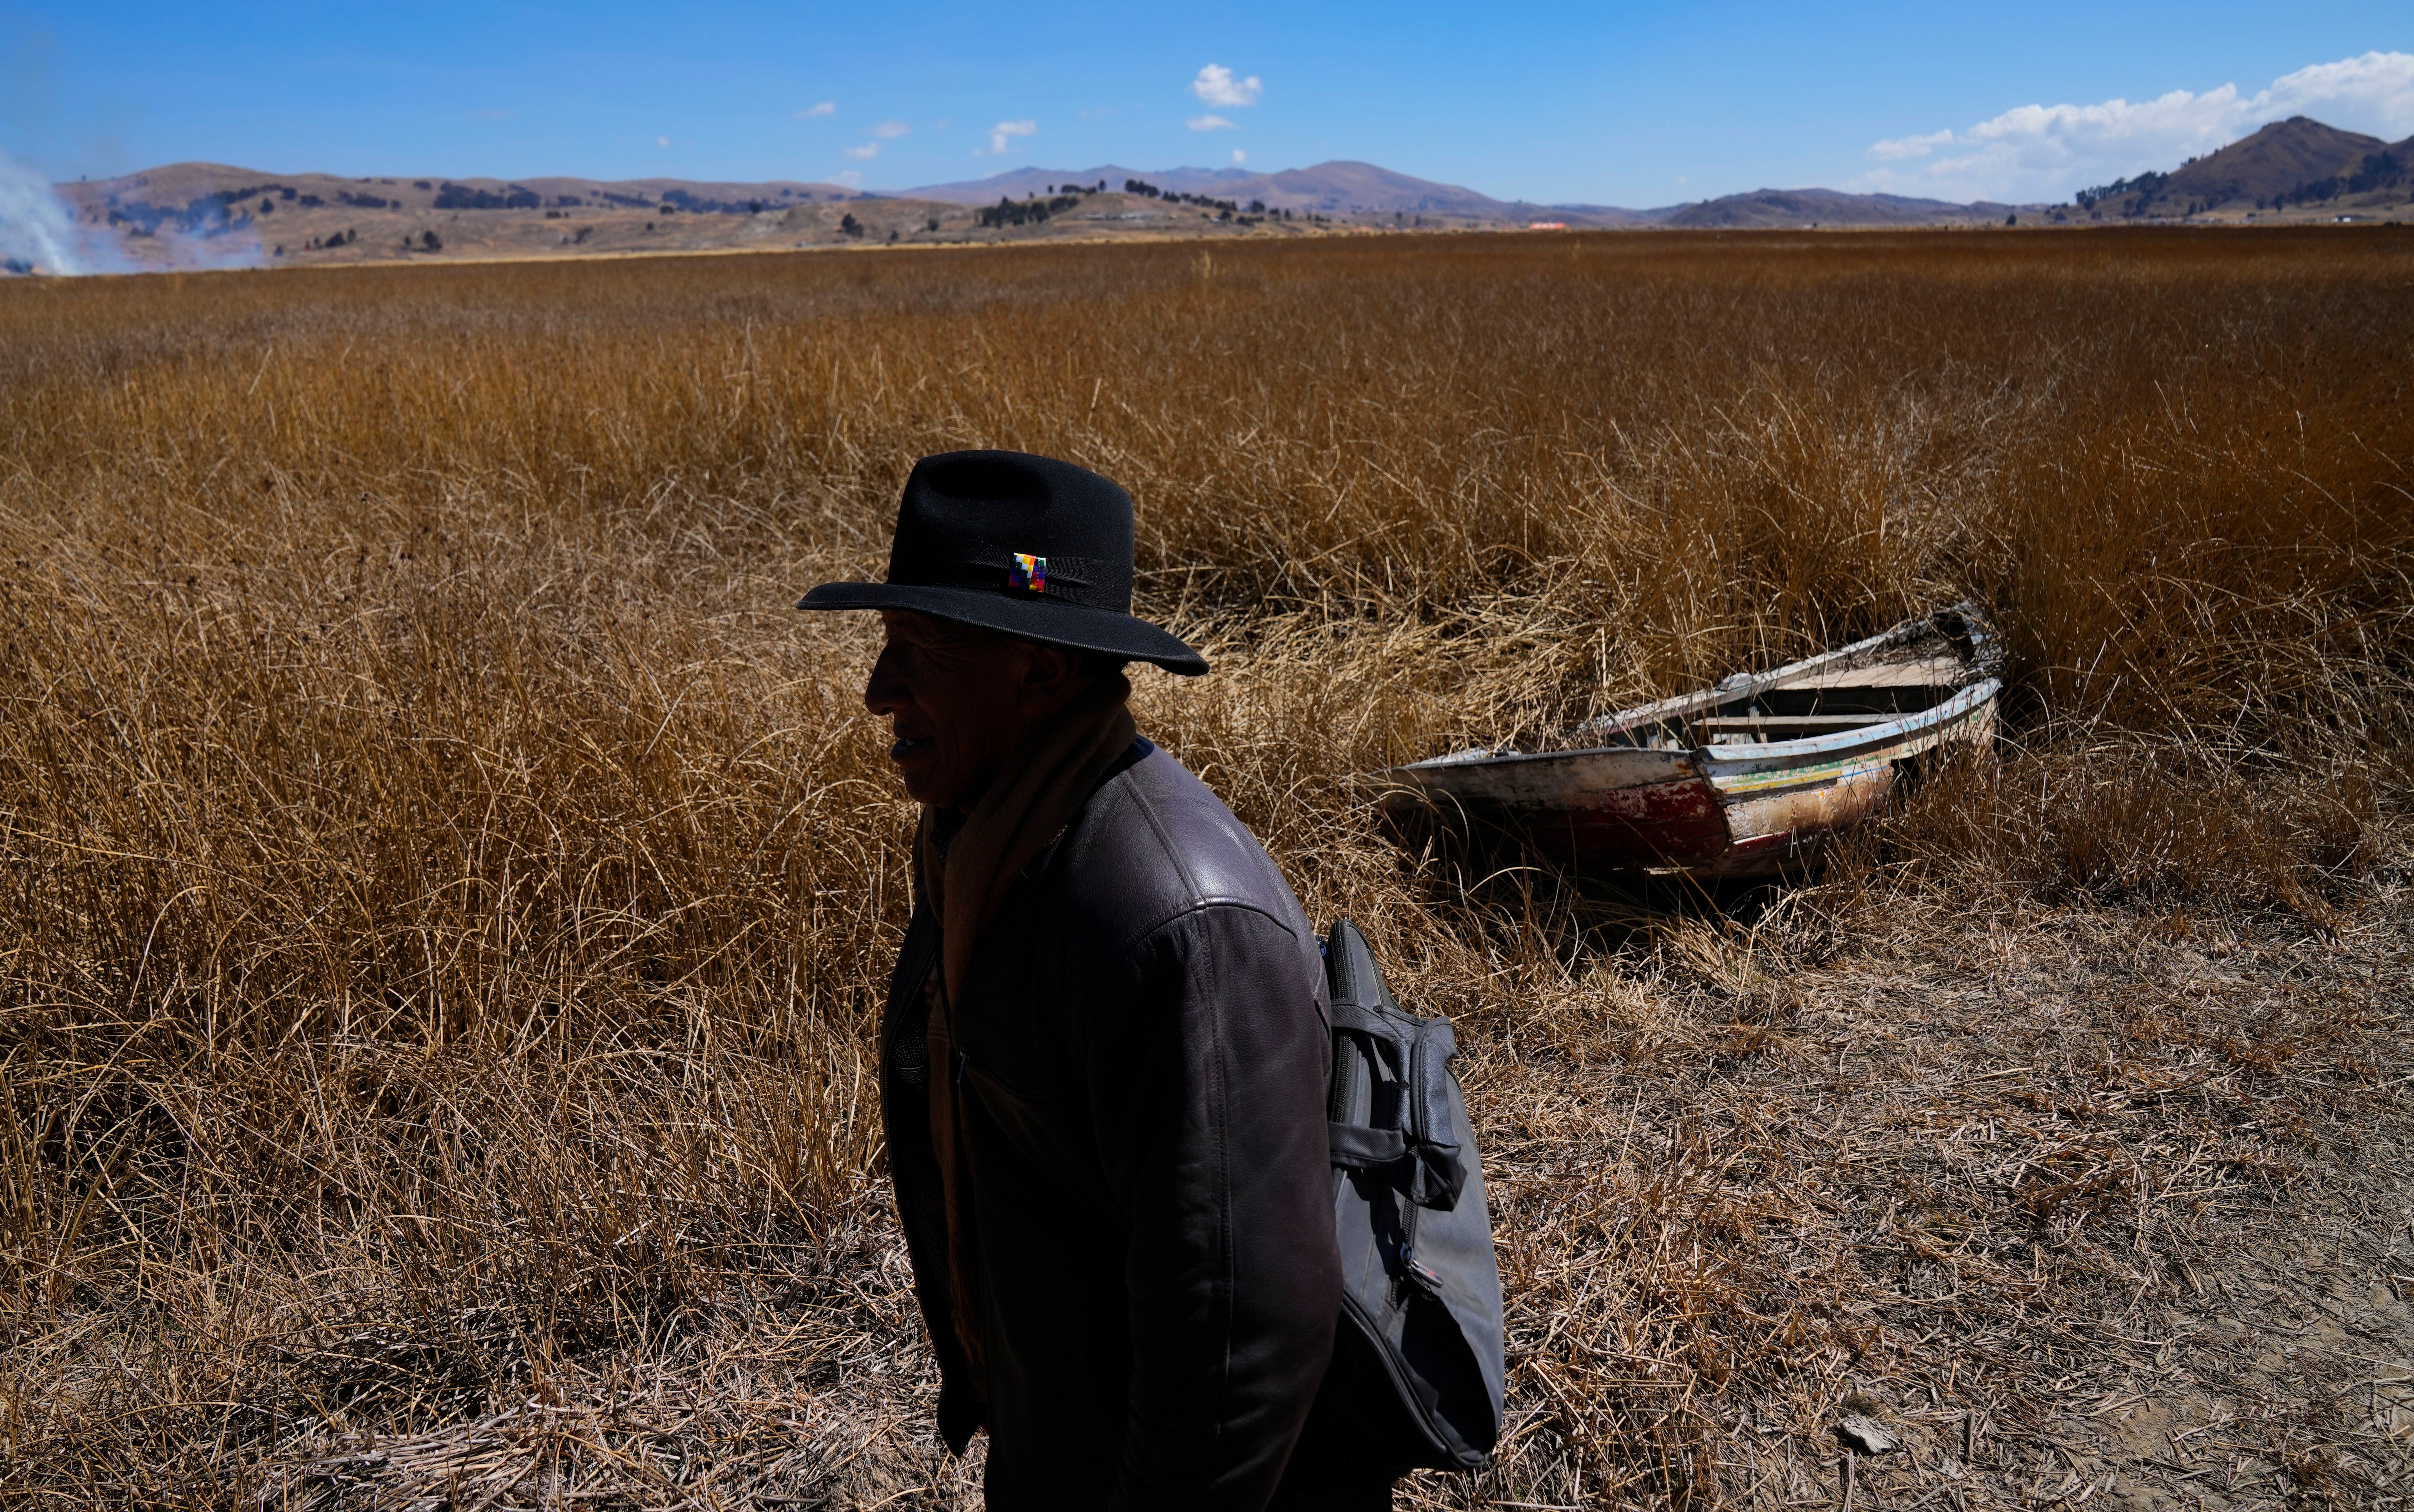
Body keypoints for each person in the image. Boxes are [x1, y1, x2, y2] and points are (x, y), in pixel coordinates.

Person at [799, 451, 1383, 1510]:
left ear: (1041, 674)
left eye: (921, 651)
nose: (878, 690)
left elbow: (1244, 1325)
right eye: (887, 645)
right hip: (1070, 1438)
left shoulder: (1179, 925)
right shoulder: (989, 838)